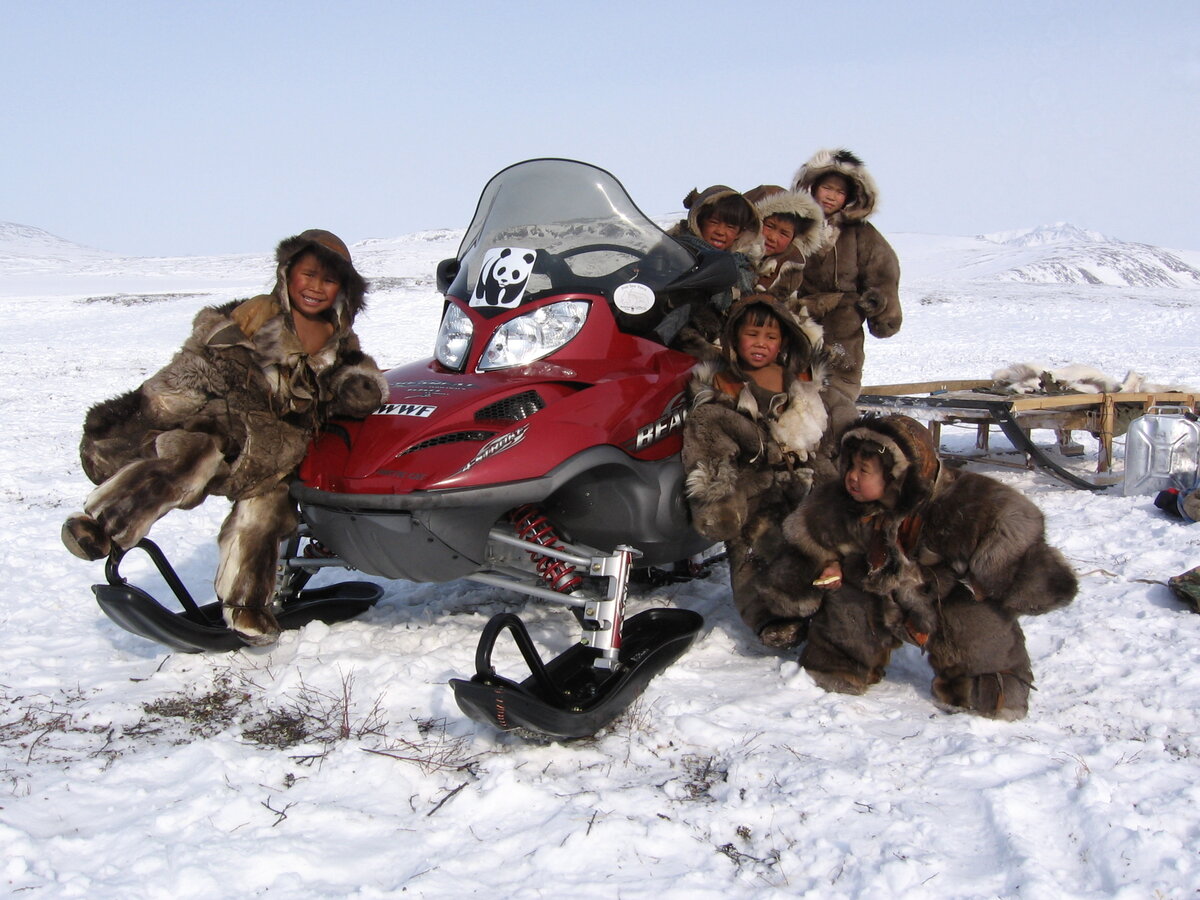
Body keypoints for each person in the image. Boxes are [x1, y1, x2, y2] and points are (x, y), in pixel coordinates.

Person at [61, 230, 389, 647]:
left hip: (277, 456)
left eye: (329, 280)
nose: (315, 287)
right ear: (287, 274)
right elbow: (188, 375)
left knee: (265, 520)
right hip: (225, 431)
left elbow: (360, 375)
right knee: (188, 459)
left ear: (343, 290)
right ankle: (103, 525)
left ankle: (247, 606)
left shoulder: (340, 342)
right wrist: (133, 417)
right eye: (308, 275)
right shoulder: (250, 319)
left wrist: (360, 387)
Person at [782, 414, 1078, 720]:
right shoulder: (840, 502)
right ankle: (840, 662)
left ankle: (988, 687)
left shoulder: (969, 503)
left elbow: (1018, 538)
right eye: (851, 466)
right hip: (880, 596)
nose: (852, 477)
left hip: (944, 598)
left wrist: (989, 581)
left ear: (898, 474)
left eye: (864, 470)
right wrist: (829, 564)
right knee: (847, 594)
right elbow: (809, 538)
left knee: (977, 622)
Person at [681, 292, 836, 649]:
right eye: (752, 334)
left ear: (783, 341)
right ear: (735, 338)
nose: (761, 344)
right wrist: (721, 495)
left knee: (813, 544)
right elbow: (710, 440)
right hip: (755, 486)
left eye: (770, 337)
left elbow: (830, 426)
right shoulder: (724, 386)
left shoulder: (802, 384)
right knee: (751, 550)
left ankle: (822, 608)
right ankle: (769, 619)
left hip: (805, 481)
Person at [790, 149, 902, 438]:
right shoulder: (791, 225)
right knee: (792, 400)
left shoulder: (861, 234)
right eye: (826, 187)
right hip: (794, 329)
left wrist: (882, 311)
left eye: (840, 192)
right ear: (811, 186)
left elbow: (884, 272)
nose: (831, 196)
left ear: (851, 198)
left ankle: (840, 459)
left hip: (842, 335)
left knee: (838, 400)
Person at [660, 185, 762, 358]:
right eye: (714, 223)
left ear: (739, 233)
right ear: (699, 221)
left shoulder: (743, 268)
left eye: (730, 227)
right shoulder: (675, 251)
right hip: (675, 337)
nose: (721, 232)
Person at [743, 184, 827, 299]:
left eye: (783, 233)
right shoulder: (732, 250)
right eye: (769, 226)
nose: (772, 237)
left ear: (793, 239)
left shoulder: (789, 271)